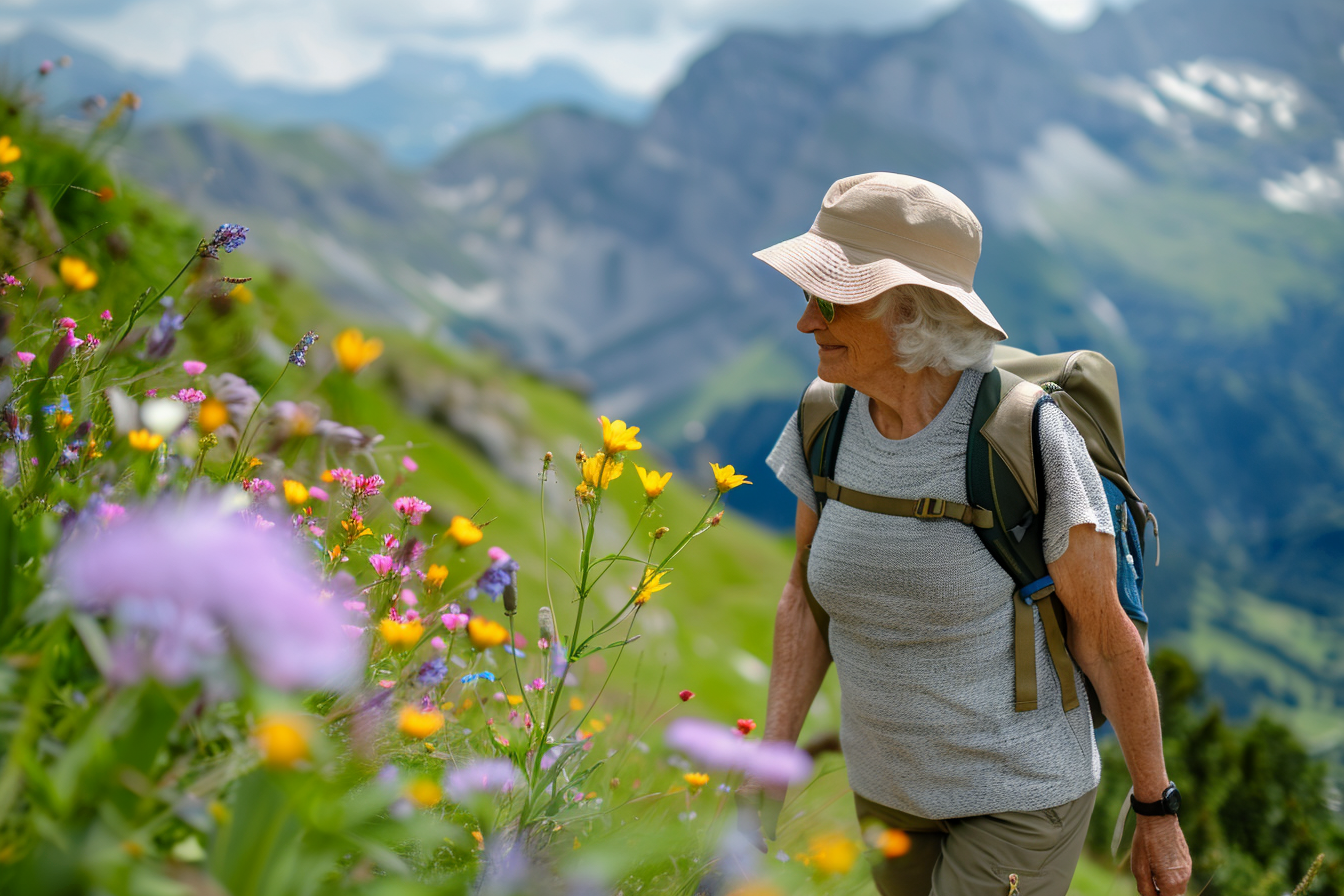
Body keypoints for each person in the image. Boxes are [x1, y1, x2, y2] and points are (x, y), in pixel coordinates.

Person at [739, 173, 1192, 896]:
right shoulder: (824, 419)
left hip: (1019, 795)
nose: (805, 323)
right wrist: (770, 768)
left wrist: (1155, 808)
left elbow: (1106, 639)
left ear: (909, 313)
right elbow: (803, 597)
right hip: (887, 793)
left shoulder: (1024, 436)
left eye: (830, 300)